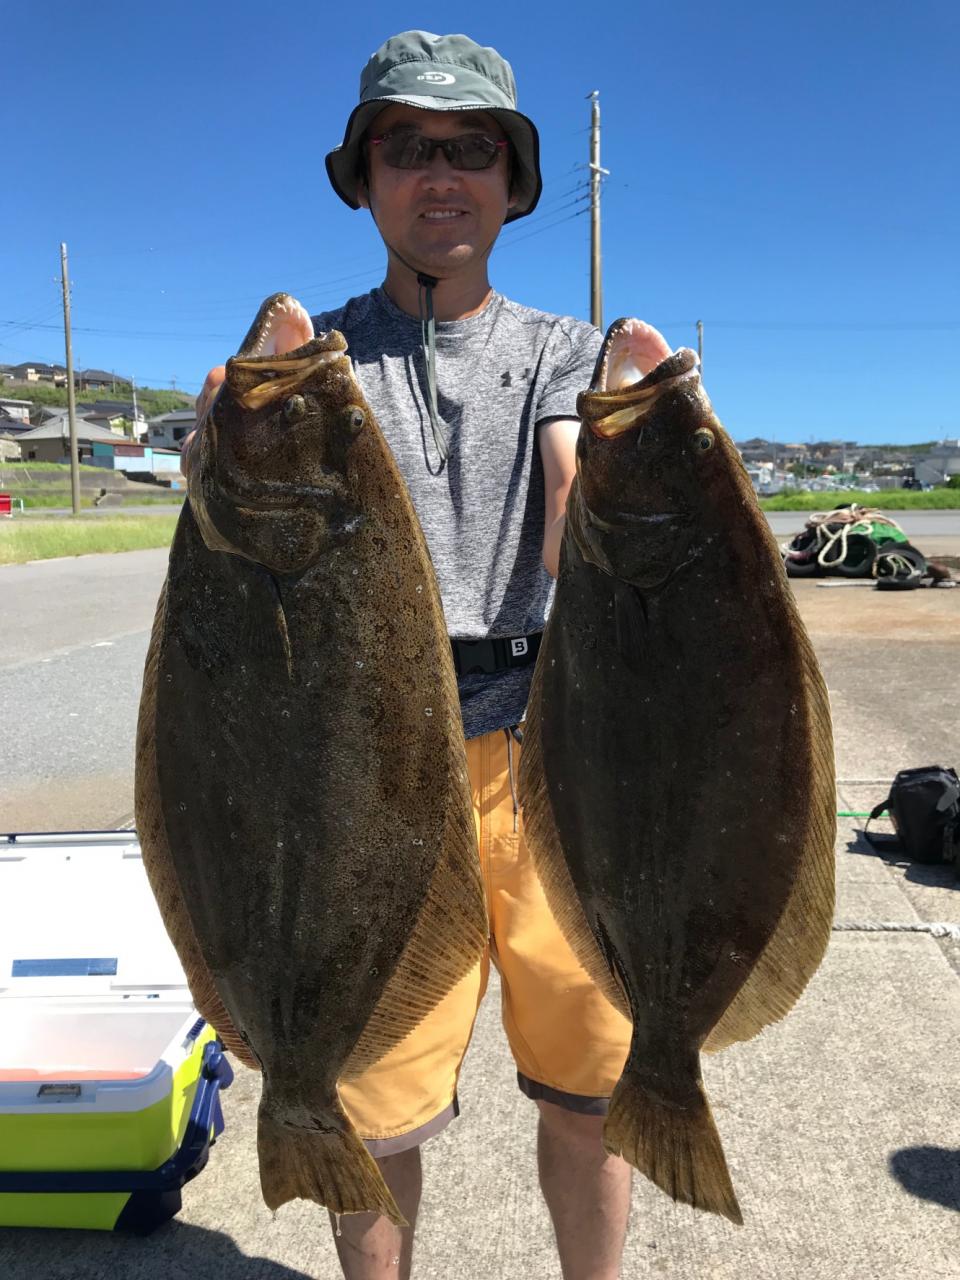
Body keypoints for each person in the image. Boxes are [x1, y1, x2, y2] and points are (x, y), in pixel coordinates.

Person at [184, 31, 633, 1280]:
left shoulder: (565, 351)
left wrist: (626, 486)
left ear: (513, 181)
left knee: (592, 1089)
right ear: (366, 178)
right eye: (407, 147)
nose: (441, 174)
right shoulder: (311, 365)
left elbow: (569, 493)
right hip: (359, 769)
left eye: (472, 148)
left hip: (548, 755)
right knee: (372, 1105)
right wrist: (218, 459)